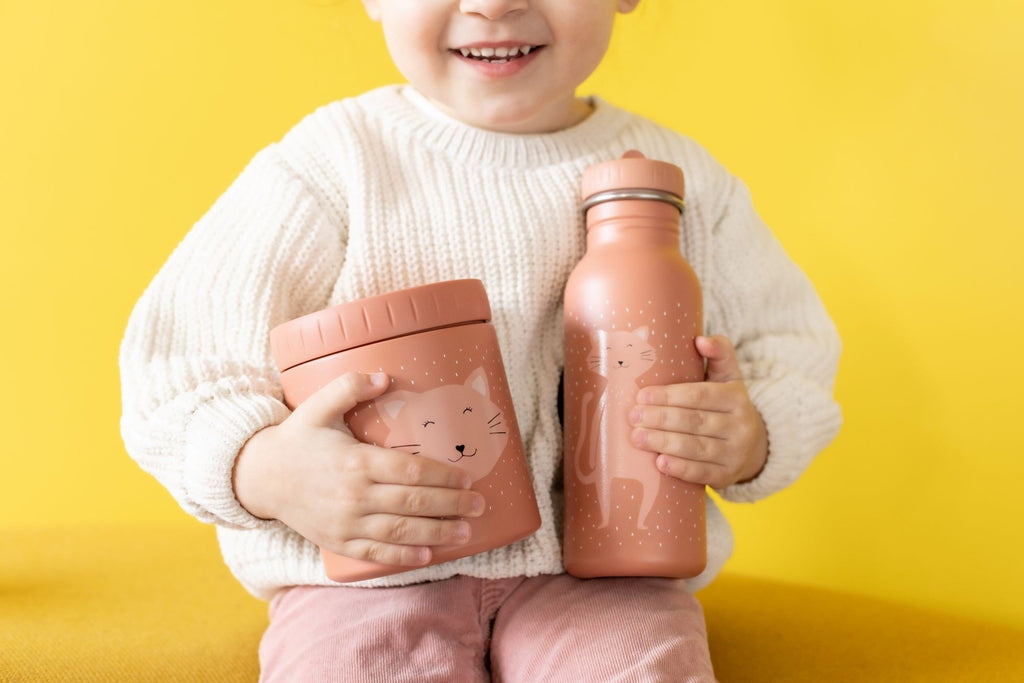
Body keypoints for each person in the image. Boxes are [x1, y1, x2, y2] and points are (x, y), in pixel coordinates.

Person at [119, 0, 842, 680]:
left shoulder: (685, 183)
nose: (493, 3)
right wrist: (266, 469)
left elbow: (790, 351)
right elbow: (181, 364)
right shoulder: (330, 166)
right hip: (371, 578)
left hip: (614, 581)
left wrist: (750, 435)